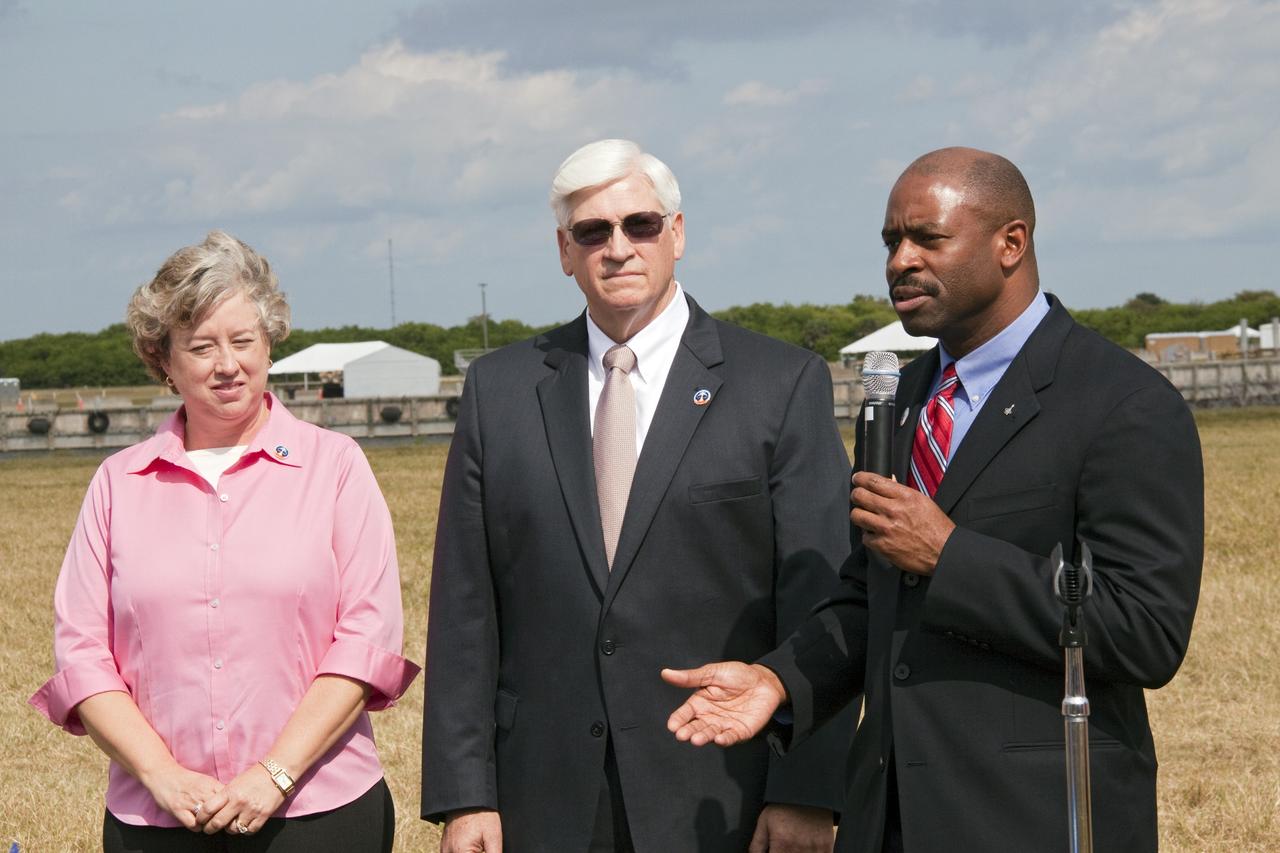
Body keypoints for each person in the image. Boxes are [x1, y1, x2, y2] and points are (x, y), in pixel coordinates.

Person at [664, 147, 1204, 853]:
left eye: (928, 238)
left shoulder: (1122, 405)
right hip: (887, 818)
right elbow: (872, 593)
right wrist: (779, 679)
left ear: (1011, 243)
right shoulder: (902, 400)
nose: (900, 261)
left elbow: (1145, 629)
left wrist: (951, 556)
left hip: (1035, 819)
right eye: (891, 241)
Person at [420, 139, 857, 852]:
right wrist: (465, 796)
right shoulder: (499, 392)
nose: (618, 247)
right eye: (593, 231)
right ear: (565, 251)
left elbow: (822, 604)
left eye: (641, 225)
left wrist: (808, 788)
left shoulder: (780, 384)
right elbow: (466, 606)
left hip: (725, 793)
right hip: (545, 799)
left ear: (677, 234)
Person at [30, 231, 421, 852]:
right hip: (158, 819)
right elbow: (81, 657)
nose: (228, 364)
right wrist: (163, 777)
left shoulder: (337, 465)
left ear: (268, 342)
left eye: (243, 341)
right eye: (202, 346)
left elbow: (367, 640)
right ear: (163, 359)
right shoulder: (115, 483)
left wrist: (275, 774)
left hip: (319, 811)